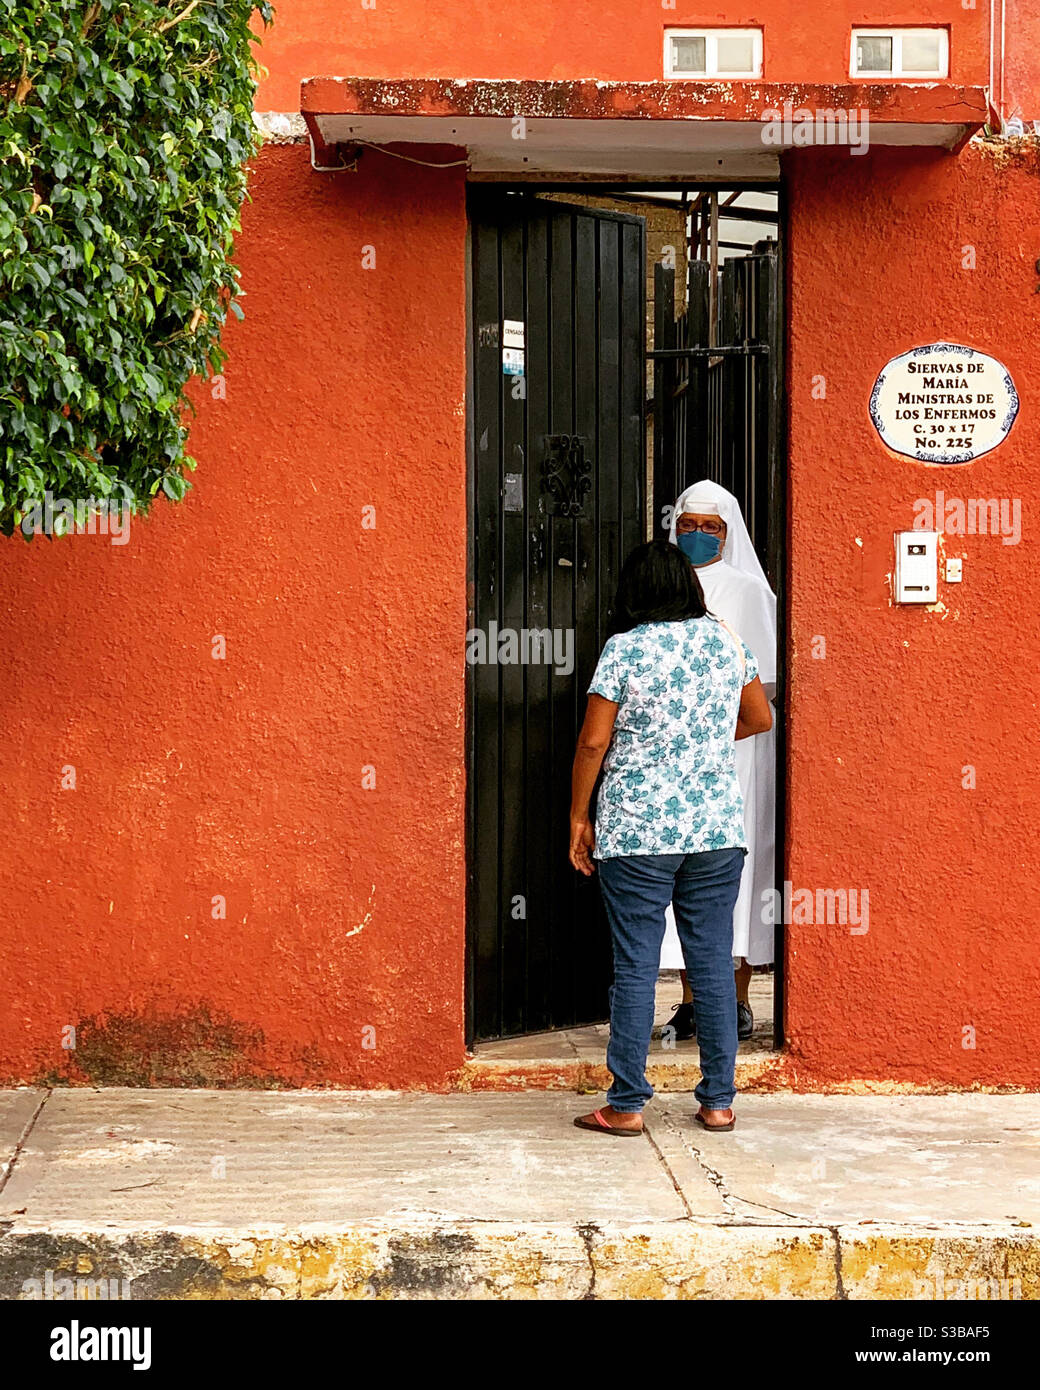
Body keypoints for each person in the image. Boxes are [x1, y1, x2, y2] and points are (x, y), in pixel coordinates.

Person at [568, 540, 772, 1135]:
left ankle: (627, 1105)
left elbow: (591, 743)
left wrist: (579, 817)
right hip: (713, 828)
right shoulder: (727, 641)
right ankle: (718, 1101)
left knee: (635, 964)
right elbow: (760, 717)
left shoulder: (624, 649)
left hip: (637, 829)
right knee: (710, 962)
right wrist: (700, 748)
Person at [660, 481, 778, 1044]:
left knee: (738, 867)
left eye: (713, 528)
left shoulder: (748, 592)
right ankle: (689, 1001)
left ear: (729, 533)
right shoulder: (661, 586)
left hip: (739, 750)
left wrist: (713, 726)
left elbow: (768, 684)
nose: (699, 536)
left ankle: (737, 998)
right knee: (682, 869)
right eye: (690, 524)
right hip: (675, 752)